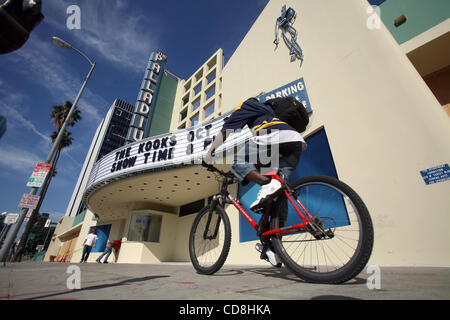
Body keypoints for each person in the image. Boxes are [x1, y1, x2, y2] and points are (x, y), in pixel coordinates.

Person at [204, 97, 307, 267]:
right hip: (295, 143)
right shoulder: (272, 113)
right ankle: (273, 247)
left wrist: (208, 156)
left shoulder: (248, 105)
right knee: (278, 197)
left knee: (239, 163)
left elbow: (225, 131)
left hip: (272, 137)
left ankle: (267, 185)